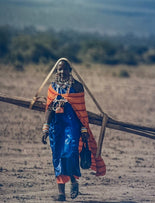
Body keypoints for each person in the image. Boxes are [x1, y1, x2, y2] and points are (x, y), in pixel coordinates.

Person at [42, 58, 106, 201]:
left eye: (64, 68)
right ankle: (60, 194)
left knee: (70, 153)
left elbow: (81, 112)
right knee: (57, 158)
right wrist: (45, 128)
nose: (62, 71)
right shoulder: (52, 87)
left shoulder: (77, 87)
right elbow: (49, 109)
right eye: (59, 69)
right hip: (56, 128)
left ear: (70, 71)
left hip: (72, 127)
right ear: (56, 71)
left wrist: (84, 130)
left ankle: (73, 181)